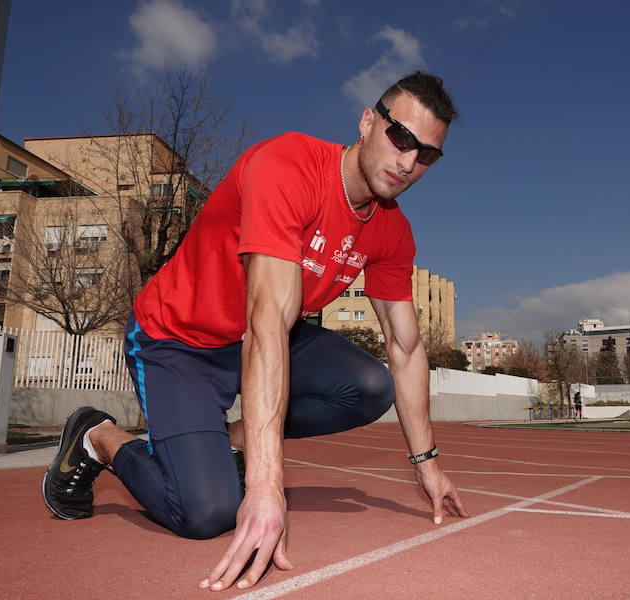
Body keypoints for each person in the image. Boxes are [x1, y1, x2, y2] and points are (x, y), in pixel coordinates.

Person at [42, 72, 469, 592]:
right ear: (367, 122)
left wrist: (427, 464)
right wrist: (267, 487)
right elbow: (264, 319)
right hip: (179, 340)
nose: (407, 162)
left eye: (427, 155)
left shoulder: (392, 231)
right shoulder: (287, 166)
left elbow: (405, 347)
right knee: (205, 514)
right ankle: (100, 436)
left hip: (267, 337)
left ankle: (221, 443)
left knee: (370, 385)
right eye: (400, 137)